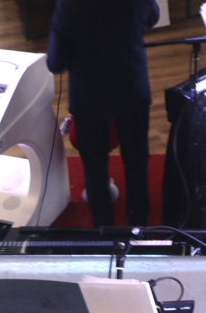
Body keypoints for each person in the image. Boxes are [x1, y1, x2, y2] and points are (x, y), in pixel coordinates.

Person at [47, 0, 160, 227]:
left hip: (89, 96)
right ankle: (138, 220)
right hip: (131, 88)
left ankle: (103, 226)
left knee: (94, 164)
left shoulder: (69, 5)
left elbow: (55, 63)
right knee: (136, 158)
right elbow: (152, 17)